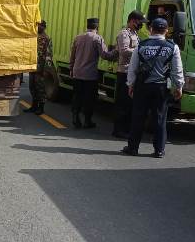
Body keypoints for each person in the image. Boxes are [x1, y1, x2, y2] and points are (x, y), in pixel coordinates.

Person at [122, 17, 184, 158]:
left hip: (142, 87)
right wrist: (179, 86)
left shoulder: (141, 45)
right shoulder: (172, 47)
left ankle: (133, 148)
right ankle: (159, 150)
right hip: (161, 87)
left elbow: (133, 68)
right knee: (160, 119)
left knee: (138, 118)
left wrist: (130, 84)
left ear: (151, 29)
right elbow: (177, 69)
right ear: (166, 31)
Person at [69, 17, 117, 129]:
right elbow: (105, 55)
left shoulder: (78, 38)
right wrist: (117, 51)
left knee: (77, 96)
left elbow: (72, 56)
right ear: (97, 27)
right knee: (89, 98)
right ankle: (87, 121)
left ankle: (75, 118)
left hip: (77, 73)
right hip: (90, 75)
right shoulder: (97, 39)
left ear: (87, 26)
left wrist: (71, 68)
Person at [112, 10, 147, 138]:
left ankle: (126, 128)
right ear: (132, 21)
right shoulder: (124, 33)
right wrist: (141, 50)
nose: (141, 25)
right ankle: (118, 130)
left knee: (130, 103)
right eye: (140, 22)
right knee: (123, 102)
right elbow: (125, 51)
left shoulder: (135, 34)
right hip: (124, 72)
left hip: (133, 73)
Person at [24, 20, 53, 115]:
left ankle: (41, 108)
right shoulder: (34, 37)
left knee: (40, 88)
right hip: (32, 66)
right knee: (32, 87)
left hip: (41, 68)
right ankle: (34, 106)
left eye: (40, 26)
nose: (38, 27)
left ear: (44, 27)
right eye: (37, 25)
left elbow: (49, 55)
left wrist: (46, 70)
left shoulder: (46, 38)